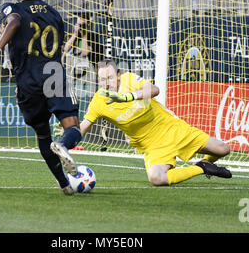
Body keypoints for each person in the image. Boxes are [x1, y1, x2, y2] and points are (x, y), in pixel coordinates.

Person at [0, 0, 81, 195]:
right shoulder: (54, 14)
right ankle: (63, 145)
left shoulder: (12, 8)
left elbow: (13, 21)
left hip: (27, 80)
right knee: (72, 126)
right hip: (52, 73)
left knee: (43, 134)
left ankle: (64, 184)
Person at [57, 59, 232, 186]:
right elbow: (83, 128)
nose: (106, 83)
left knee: (223, 149)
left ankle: (208, 161)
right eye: (102, 80)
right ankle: (202, 167)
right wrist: (68, 137)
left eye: (109, 78)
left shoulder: (129, 80)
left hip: (172, 129)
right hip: (152, 146)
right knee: (156, 178)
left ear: (118, 75)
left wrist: (128, 97)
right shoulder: (99, 101)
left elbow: (154, 89)